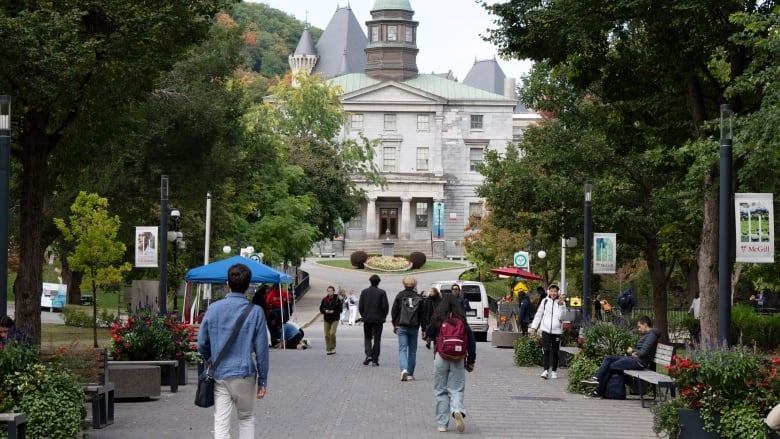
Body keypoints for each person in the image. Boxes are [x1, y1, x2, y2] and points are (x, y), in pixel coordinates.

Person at [197, 263, 269, 439]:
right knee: (246, 418)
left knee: (221, 420)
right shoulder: (256, 312)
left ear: (227, 283)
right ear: (248, 286)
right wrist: (263, 380)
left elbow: (201, 343)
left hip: (220, 373)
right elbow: (261, 350)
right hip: (245, 374)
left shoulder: (213, 308)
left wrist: (211, 358)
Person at [429, 295, 476, 433]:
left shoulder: (438, 320)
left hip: (441, 357)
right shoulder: (462, 321)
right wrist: (471, 360)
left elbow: (429, 333)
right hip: (458, 358)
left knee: (440, 390)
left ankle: (442, 424)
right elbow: (471, 343)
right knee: (456, 388)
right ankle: (457, 409)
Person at [581, 315, 660, 398]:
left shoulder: (651, 336)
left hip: (638, 363)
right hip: (635, 359)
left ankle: (598, 391)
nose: (638, 329)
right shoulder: (648, 335)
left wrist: (632, 351)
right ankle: (595, 379)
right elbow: (643, 351)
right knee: (608, 358)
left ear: (645, 324)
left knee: (610, 367)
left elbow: (643, 353)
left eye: (639, 326)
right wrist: (634, 353)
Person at [529, 284, 566, 379]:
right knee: (546, 350)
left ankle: (554, 371)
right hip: (545, 329)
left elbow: (562, 317)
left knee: (555, 351)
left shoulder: (562, 302)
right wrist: (534, 327)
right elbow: (539, 314)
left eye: (555, 291)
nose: (553, 293)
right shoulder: (545, 301)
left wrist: (561, 306)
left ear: (558, 292)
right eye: (552, 291)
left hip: (556, 331)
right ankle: (545, 370)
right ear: (549, 291)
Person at [391, 276, 424, 381]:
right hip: (414, 326)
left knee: (402, 349)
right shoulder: (418, 297)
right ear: (414, 285)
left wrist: (395, 324)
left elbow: (394, 311)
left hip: (402, 325)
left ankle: (403, 369)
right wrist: (423, 329)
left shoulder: (400, 295)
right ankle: (410, 373)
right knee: (413, 351)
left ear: (404, 284)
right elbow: (422, 315)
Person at [359, 274, 389, 366]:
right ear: (378, 282)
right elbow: (385, 306)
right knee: (377, 339)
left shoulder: (364, 292)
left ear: (370, 281)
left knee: (367, 337)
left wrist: (363, 315)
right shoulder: (382, 292)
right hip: (378, 319)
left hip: (367, 318)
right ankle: (375, 358)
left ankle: (368, 354)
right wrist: (383, 316)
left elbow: (360, 306)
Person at [320, 285, 342, 355]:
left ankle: (333, 346)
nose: (329, 292)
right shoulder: (324, 299)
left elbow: (340, 309)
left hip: (335, 318)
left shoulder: (337, 299)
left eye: (331, 291)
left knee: (332, 333)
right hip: (327, 318)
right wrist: (325, 311)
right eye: (328, 291)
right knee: (326, 334)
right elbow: (321, 308)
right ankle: (328, 349)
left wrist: (334, 311)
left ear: (333, 291)